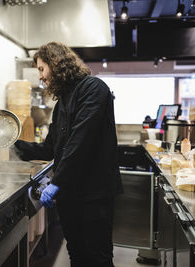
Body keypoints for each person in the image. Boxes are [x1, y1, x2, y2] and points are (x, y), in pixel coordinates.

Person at [14, 42, 122, 267]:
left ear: (57, 64)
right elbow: (51, 148)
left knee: (98, 258)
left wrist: (57, 182)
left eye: (42, 69)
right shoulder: (62, 101)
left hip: (94, 194)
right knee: (77, 254)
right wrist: (13, 146)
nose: (41, 77)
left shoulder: (93, 88)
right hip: (71, 195)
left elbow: (80, 142)